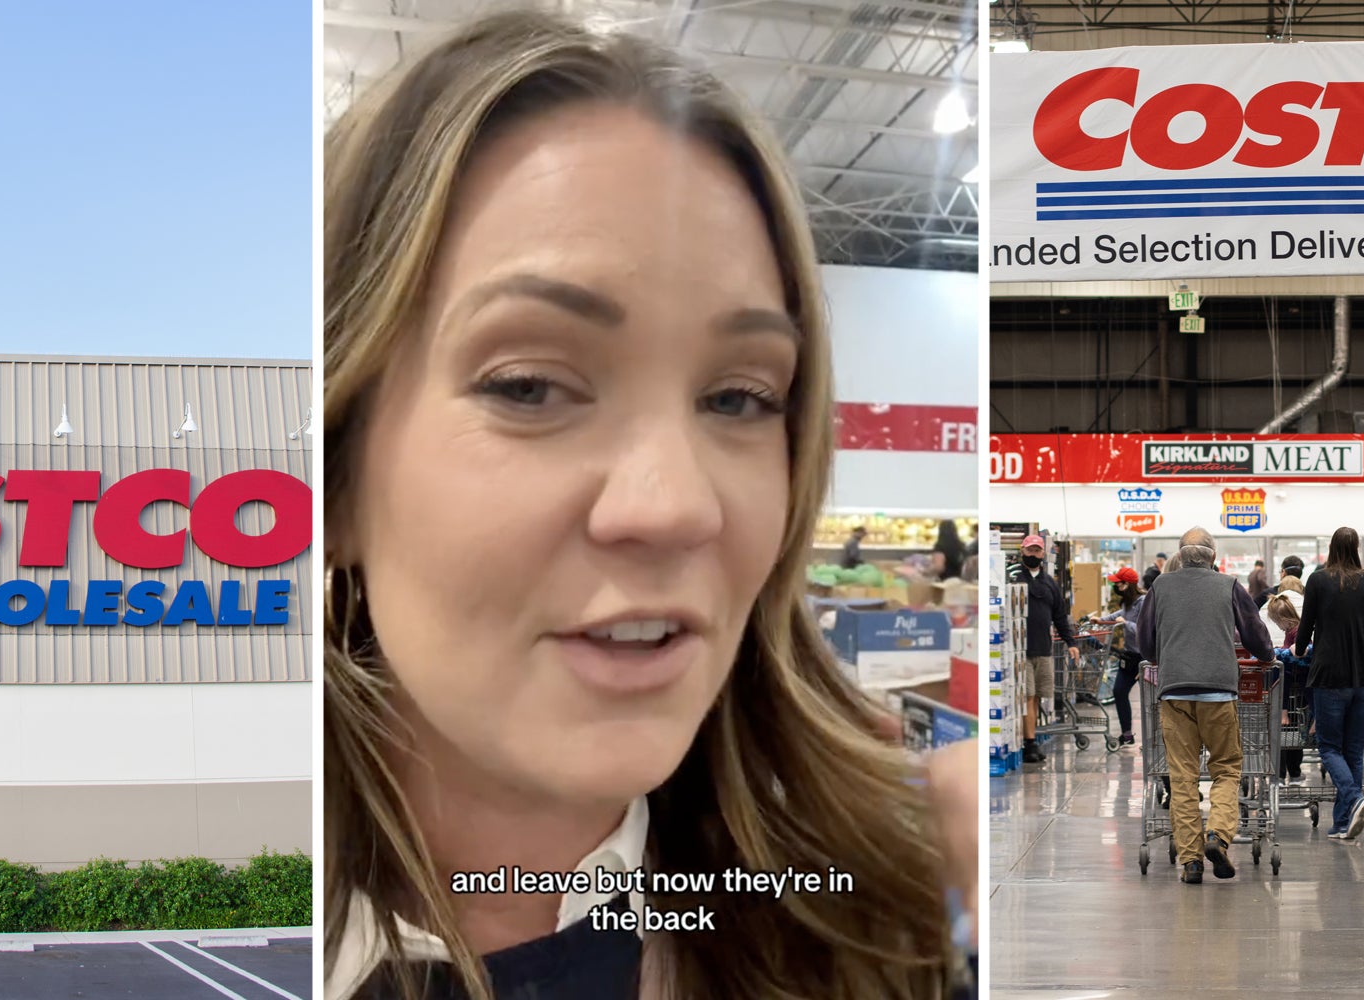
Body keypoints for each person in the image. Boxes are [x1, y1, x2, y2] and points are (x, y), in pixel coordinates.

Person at [321, 12, 968, 998]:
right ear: (335, 473)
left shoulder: (876, 931)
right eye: (528, 384)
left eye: (739, 398)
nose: (675, 506)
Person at [1137, 527, 1277, 884]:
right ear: (1213, 557)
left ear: (1180, 556)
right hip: (1219, 692)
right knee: (1227, 769)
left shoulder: (1160, 587)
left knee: (1182, 777)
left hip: (1175, 693)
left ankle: (1191, 862)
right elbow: (1255, 633)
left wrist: (1163, 658)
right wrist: (1266, 656)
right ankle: (1217, 834)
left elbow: (1146, 640)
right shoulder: (1229, 585)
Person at [1297, 527, 1364, 840]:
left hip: (1330, 674)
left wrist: (1299, 647)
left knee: (1329, 746)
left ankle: (1355, 799)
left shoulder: (1318, 580)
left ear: (1331, 547)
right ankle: (1342, 822)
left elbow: (1305, 629)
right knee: (1354, 750)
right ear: (1358, 547)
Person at [1013, 535, 1078, 764]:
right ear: (1022, 551)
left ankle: (1031, 740)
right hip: (1019, 651)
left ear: (1042, 554)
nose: (1033, 555)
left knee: (1037, 696)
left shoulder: (1050, 583)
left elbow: (1060, 616)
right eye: (1029, 551)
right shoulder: (1013, 579)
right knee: (1028, 697)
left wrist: (1071, 643)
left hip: (1043, 650)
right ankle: (1029, 744)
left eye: (1037, 551)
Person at [1093, 568, 1146, 746]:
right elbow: (1119, 616)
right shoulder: (1127, 603)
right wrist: (1101, 620)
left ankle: (1153, 738)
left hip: (1144, 658)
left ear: (1128, 584)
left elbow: (1144, 629)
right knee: (1119, 692)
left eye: (1118, 583)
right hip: (1129, 656)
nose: (1116, 586)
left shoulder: (1143, 602)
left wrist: (1127, 624)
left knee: (1150, 698)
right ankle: (1127, 734)